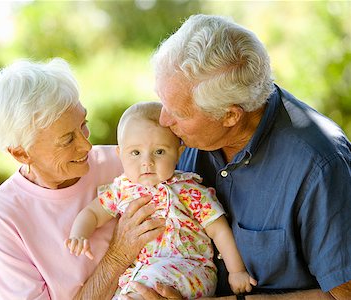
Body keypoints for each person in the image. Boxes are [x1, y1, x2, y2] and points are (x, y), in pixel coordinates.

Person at [146, 14, 351, 299]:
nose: (163, 119)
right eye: (162, 101)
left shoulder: (318, 165)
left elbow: (344, 294)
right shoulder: (178, 137)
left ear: (230, 115)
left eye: (179, 113)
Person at [0, 58, 168, 299]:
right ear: (20, 152)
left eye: (83, 125)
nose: (87, 145)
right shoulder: (1, 218)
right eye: (67, 140)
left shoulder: (129, 163)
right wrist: (118, 256)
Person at [65, 101, 256, 299]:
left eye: (159, 152)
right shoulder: (121, 189)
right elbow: (93, 213)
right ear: (120, 154)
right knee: (130, 291)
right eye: (136, 153)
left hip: (190, 269)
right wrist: (79, 234)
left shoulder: (189, 190)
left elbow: (219, 229)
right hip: (141, 273)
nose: (147, 162)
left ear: (178, 153)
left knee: (144, 289)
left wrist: (236, 271)